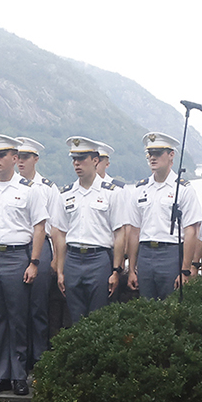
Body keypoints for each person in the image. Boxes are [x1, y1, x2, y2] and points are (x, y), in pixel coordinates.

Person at [0, 134, 46, 396]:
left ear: (15, 158)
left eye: (1, 156)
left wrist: (34, 262)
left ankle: (18, 374)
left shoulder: (29, 190)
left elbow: (39, 228)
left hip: (17, 257)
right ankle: (0, 374)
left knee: (17, 319)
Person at [56, 137, 130, 325]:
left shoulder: (111, 193)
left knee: (100, 317)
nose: (76, 164)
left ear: (95, 160)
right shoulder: (66, 194)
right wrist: (60, 270)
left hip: (98, 260)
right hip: (72, 260)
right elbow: (60, 234)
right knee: (75, 317)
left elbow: (119, 234)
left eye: (82, 159)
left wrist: (116, 270)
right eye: (74, 159)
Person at [126, 132, 200, 301]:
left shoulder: (183, 189)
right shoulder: (140, 189)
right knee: (147, 306)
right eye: (150, 154)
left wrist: (185, 270)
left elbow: (191, 232)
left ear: (171, 155)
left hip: (171, 253)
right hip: (145, 254)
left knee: (172, 306)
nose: (153, 158)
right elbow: (134, 231)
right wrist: (131, 269)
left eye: (158, 153)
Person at [16, 137, 65, 361]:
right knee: (17, 308)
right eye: (18, 157)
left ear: (36, 159)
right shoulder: (9, 186)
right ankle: (20, 358)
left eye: (26, 157)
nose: (21, 162)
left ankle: (39, 358)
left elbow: (56, 226)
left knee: (39, 306)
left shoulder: (48, 188)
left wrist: (55, 259)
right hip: (16, 248)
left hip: (41, 248)